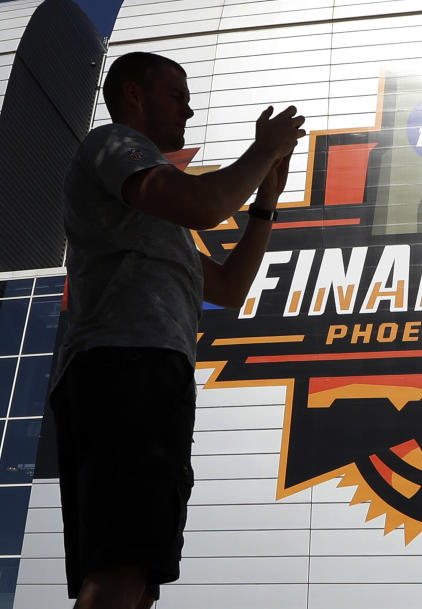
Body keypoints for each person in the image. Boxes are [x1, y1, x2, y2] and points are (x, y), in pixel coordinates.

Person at [49, 51, 306, 609]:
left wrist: (265, 202)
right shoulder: (112, 145)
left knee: (139, 574)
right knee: (121, 565)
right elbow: (205, 205)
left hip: (149, 373)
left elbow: (229, 289)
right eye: (176, 97)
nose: (188, 112)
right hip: (123, 368)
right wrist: (263, 151)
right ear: (134, 96)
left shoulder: (152, 219)